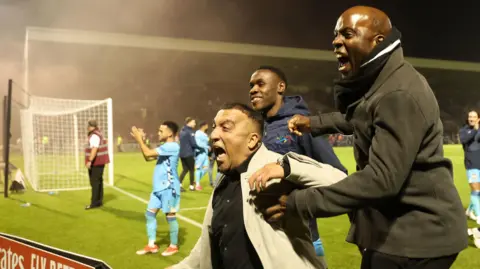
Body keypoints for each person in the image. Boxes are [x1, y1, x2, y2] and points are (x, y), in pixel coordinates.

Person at [264, 6, 467, 269]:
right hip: (400, 229)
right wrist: (314, 124)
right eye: (336, 35)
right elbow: (360, 117)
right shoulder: (384, 82)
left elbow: (381, 180)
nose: (336, 41)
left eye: (347, 34)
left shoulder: (397, 93)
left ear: (377, 41)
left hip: (417, 236)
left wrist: (300, 202)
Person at [166, 103, 346, 269]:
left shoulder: (277, 166)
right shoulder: (224, 181)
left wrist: (290, 168)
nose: (213, 135)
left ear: (252, 140)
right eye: (214, 127)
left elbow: (343, 184)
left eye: (225, 127)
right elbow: (207, 246)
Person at [249, 65, 347, 258]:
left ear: (280, 87)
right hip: (262, 236)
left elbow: (338, 176)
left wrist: (298, 203)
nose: (253, 90)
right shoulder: (255, 127)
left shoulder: (300, 124)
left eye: (260, 84)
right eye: (251, 85)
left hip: (301, 239)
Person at [131, 121, 181, 257]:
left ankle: (173, 245)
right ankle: (152, 245)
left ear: (170, 133)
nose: (158, 133)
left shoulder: (172, 146)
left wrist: (139, 139)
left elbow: (147, 154)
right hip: (158, 188)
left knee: (170, 216)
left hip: (169, 188)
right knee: (150, 214)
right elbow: (148, 157)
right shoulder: (165, 147)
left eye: (161, 131)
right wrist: (141, 141)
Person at [460, 110, 480, 223]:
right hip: (471, 165)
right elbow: (465, 140)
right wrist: (475, 130)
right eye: (470, 117)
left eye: (474, 117)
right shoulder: (464, 131)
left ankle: (470, 210)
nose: (471, 119)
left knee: (479, 192)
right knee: (476, 191)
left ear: (478, 119)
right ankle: (479, 216)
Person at [85, 120, 110, 210]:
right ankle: (99, 201)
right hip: (100, 161)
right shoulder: (98, 133)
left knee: (95, 182)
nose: (87, 127)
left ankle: (94, 203)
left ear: (91, 126)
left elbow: (94, 149)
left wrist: (89, 160)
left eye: (88, 126)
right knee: (99, 181)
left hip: (96, 162)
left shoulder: (94, 135)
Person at [179, 117, 197, 191]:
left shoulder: (182, 131)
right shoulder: (190, 132)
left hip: (182, 154)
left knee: (185, 169)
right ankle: (191, 186)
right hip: (189, 153)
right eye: (193, 122)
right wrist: (201, 148)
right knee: (192, 170)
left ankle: (179, 185)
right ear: (189, 122)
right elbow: (193, 144)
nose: (195, 124)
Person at [194, 121, 210, 190]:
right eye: (207, 125)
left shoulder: (204, 134)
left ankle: (197, 180)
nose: (207, 126)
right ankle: (197, 185)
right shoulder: (198, 133)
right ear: (203, 126)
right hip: (200, 153)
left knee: (206, 169)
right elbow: (197, 143)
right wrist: (206, 147)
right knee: (198, 168)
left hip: (205, 154)